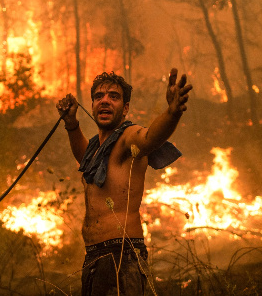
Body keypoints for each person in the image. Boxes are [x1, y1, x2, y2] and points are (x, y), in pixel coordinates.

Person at [56, 68, 193, 295]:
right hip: (94, 257)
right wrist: (71, 124)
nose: (105, 101)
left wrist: (172, 112)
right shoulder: (95, 150)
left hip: (122, 255)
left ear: (125, 108)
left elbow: (150, 138)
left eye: (114, 96)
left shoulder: (127, 138)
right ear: (91, 106)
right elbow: (84, 158)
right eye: (99, 97)